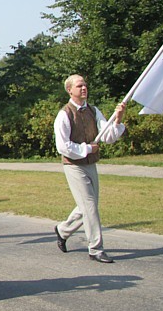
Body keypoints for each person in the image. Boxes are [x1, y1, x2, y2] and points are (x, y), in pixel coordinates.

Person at [53, 74, 126, 264]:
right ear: (70, 90)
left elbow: (107, 136)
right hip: (74, 166)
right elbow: (63, 146)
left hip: (91, 164)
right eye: (79, 86)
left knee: (87, 207)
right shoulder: (65, 114)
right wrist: (86, 149)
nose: (84, 88)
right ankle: (96, 248)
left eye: (85, 85)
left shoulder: (93, 111)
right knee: (90, 207)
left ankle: (63, 230)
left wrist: (117, 120)